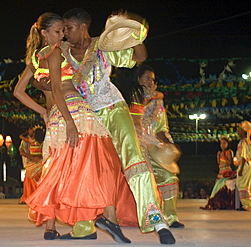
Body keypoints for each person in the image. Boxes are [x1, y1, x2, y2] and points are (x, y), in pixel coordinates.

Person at [13, 12, 131, 243]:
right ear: (44, 33)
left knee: (61, 167)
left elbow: (18, 91)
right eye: (58, 31)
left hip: (58, 116)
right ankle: (108, 218)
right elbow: (57, 89)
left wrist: (43, 111)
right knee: (98, 164)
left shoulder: (36, 58)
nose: (63, 35)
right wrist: (69, 122)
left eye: (64, 30)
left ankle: (52, 226)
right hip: (74, 113)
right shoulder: (56, 52)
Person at [61, 8, 175, 244]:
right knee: (86, 170)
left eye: (69, 28)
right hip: (85, 117)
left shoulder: (102, 46)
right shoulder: (61, 54)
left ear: (83, 27)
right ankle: (84, 227)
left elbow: (138, 58)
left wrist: (136, 35)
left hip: (113, 109)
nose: (65, 33)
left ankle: (158, 222)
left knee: (134, 162)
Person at [133, 65, 184, 228]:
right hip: (134, 147)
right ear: (138, 79)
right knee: (144, 182)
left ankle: (171, 217)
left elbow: (162, 127)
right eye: (146, 78)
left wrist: (169, 145)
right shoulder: (130, 97)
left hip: (154, 146)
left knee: (170, 177)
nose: (150, 81)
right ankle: (150, 220)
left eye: (152, 79)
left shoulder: (158, 101)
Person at [201, 136, 236, 210]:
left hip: (227, 172)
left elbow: (229, 162)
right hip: (220, 172)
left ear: (227, 144)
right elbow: (219, 163)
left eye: (224, 143)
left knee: (220, 187)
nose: (222, 145)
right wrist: (219, 156)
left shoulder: (229, 152)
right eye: (221, 143)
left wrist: (224, 156)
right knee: (216, 188)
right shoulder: (219, 153)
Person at [18, 126, 45, 202]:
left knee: (29, 179)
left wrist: (27, 131)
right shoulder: (39, 142)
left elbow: (20, 136)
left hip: (35, 163)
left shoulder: (31, 141)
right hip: (39, 163)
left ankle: (30, 196)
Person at [234, 121, 251, 211]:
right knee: (247, 185)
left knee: (242, 185)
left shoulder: (244, 142)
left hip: (245, 166)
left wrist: (240, 169)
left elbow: (244, 156)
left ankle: (247, 205)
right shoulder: (247, 141)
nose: (238, 131)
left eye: (240, 129)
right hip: (247, 165)